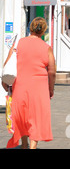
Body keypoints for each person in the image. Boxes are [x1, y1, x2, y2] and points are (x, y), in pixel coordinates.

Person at [3, 17, 56, 149]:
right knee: (36, 117)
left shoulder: (19, 43)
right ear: (44, 31)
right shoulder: (46, 47)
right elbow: (52, 71)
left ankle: (24, 144)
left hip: (20, 85)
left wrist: (5, 83)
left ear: (30, 28)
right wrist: (51, 89)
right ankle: (32, 146)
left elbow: (7, 64)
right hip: (39, 88)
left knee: (22, 116)